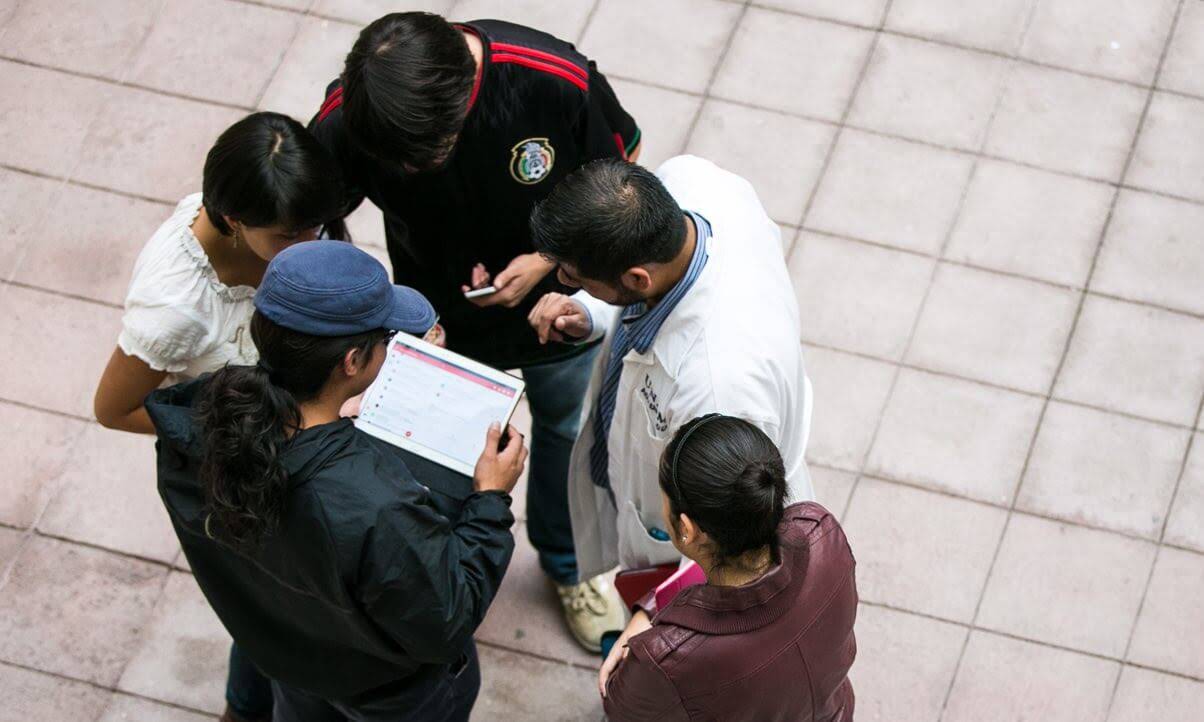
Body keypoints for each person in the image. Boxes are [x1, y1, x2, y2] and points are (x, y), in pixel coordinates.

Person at [310, 10, 642, 650]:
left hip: (557, 309)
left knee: (565, 431)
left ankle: (567, 565)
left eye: (432, 152)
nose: (419, 170)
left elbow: (620, 180)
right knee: (435, 444)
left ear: (464, 93)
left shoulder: (553, 78)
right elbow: (311, 220)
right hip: (432, 324)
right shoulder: (352, 117)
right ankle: (442, 565)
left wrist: (549, 258)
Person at [148, 241, 527, 722]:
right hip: (387, 694)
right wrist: (492, 498)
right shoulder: (373, 506)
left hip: (291, 660)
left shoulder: (199, 417)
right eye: (388, 338)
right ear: (351, 361)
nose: (394, 346)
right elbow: (446, 618)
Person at [92, 111, 346, 722]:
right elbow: (114, 408)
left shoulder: (282, 215)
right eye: (290, 236)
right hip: (243, 460)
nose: (312, 245)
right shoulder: (175, 308)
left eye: (317, 226)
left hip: (298, 422)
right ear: (233, 220)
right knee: (268, 596)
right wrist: (239, 432)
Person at [527, 156, 815, 590]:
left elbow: (726, 546)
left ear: (638, 279)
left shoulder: (719, 390)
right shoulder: (689, 181)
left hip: (685, 553)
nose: (564, 282)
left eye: (576, 279)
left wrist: (654, 613)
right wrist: (592, 312)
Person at [599, 415, 857, 721]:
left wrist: (652, 625)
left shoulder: (665, 659)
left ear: (687, 528)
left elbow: (620, 705)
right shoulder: (819, 529)